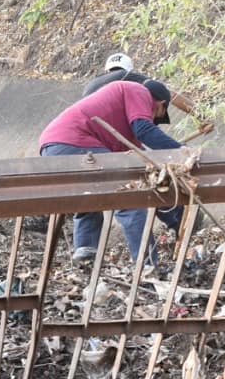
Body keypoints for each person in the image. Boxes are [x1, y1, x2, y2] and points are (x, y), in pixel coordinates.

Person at [40, 78, 190, 266]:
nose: (153, 120)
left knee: (92, 191)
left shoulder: (120, 125)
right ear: (160, 104)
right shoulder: (137, 91)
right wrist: (181, 151)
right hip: (76, 142)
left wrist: (175, 212)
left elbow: (147, 168)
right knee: (129, 198)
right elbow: (145, 130)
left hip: (52, 147)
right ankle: (147, 265)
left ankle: (86, 249)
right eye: (157, 115)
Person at [83, 52, 212, 135]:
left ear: (107, 70)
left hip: (89, 133)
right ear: (130, 69)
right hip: (114, 132)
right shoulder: (130, 77)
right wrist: (203, 117)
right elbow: (170, 95)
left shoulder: (90, 85)